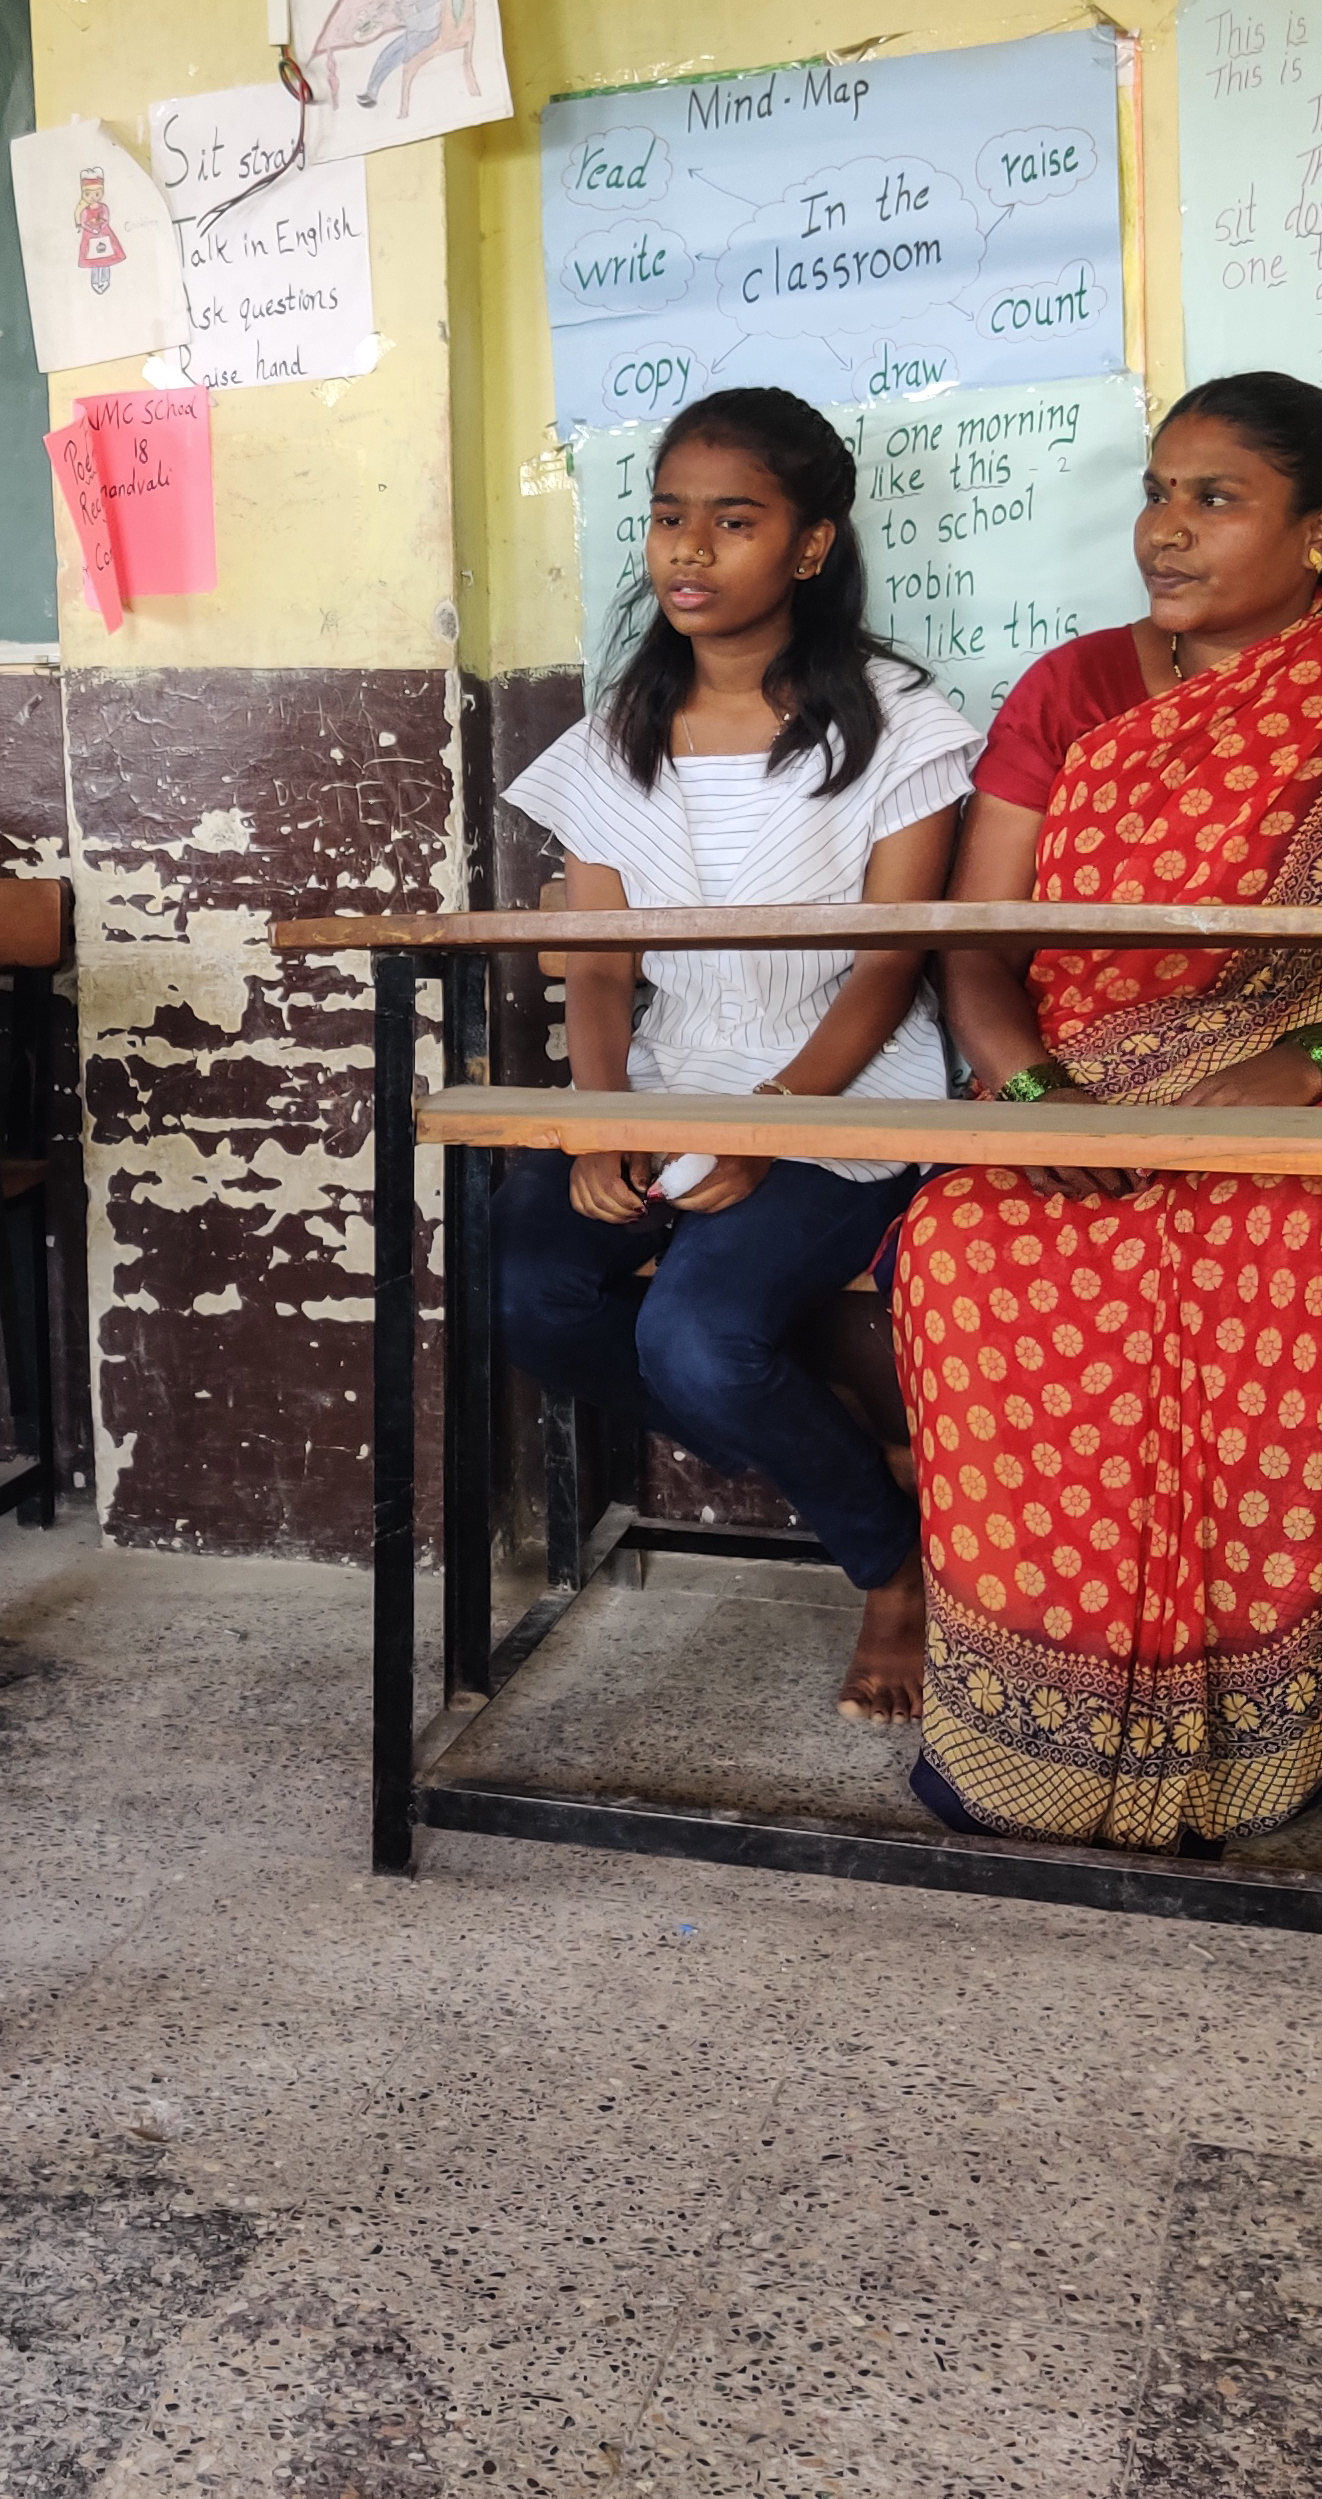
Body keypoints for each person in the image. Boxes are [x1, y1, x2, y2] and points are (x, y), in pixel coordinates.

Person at [899, 371, 1322, 1853]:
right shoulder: (1072, 687)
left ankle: (1288, 1704)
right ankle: (1044, 1724)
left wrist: (1308, 1054)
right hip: (1095, 1084)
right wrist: (1032, 1094)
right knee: (964, 1243)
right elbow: (980, 937)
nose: (1165, 530)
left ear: (1320, 528)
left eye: (1215, 498)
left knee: (1265, 1229)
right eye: (1157, 491)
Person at [496, 388, 981, 1722]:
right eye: (667, 518)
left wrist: (771, 1119)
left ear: (812, 546)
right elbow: (597, 964)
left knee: (698, 1337)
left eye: (734, 519)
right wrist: (601, 1119)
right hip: (664, 1082)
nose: (689, 551)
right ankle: (847, 1465)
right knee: (530, 1288)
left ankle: (888, 1567)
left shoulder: (898, 727)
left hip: (846, 1094)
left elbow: (890, 966)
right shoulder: (614, 739)